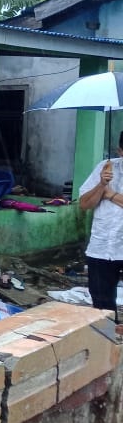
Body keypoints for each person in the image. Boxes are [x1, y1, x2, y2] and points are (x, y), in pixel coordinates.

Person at [78, 131, 123, 318]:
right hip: (102, 246)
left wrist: (111, 195)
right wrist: (102, 185)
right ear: (120, 151)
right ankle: (107, 344)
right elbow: (84, 204)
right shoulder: (105, 168)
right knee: (102, 306)